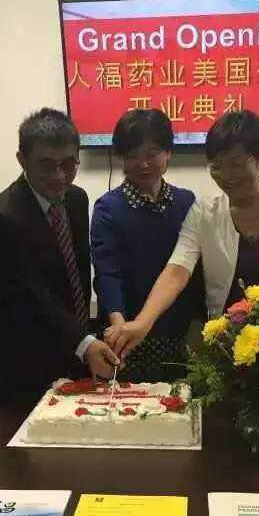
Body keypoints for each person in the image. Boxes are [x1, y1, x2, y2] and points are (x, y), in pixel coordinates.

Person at [106, 109, 259, 359]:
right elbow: (177, 270)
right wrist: (142, 323)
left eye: (236, 164)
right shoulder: (204, 211)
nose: (227, 175)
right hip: (226, 348)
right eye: (217, 166)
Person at [0, 108, 118, 410]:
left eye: (68, 164)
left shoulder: (76, 199)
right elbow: (31, 295)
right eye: (46, 165)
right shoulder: (3, 217)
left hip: (74, 355)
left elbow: (76, 276)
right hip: (24, 365)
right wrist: (85, 342)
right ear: (22, 160)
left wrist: (86, 338)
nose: (59, 176)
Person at [91, 109, 203, 382]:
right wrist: (119, 323)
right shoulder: (108, 208)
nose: (142, 164)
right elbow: (107, 272)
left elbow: (195, 270)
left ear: (168, 153)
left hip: (178, 334)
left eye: (152, 154)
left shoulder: (187, 203)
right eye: (132, 156)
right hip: (127, 336)